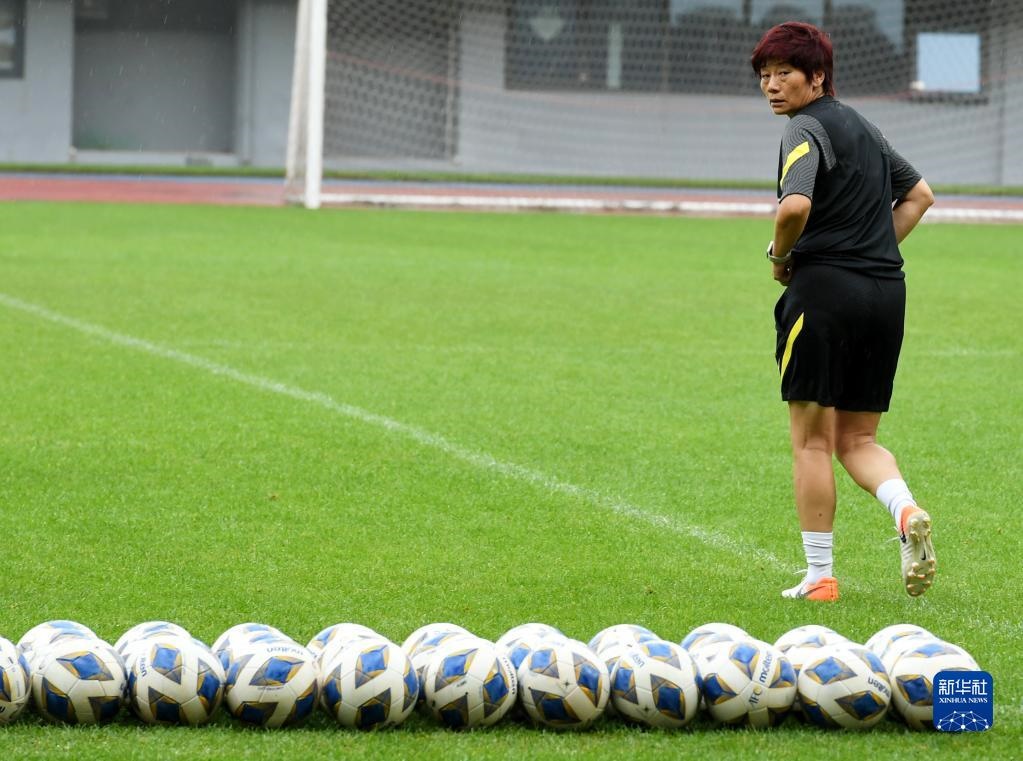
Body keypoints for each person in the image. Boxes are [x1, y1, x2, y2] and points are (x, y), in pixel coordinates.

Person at [750, 22, 937, 601]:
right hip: (885, 293)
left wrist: (780, 258)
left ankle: (820, 577)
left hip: (825, 294)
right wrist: (869, 252)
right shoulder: (865, 128)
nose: (772, 86)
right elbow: (920, 195)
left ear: (817, 77)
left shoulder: (803, 128)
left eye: (784, 73)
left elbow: (794, 207)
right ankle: (906, 512)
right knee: (858, 438)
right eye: (764, 75)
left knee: (811, 442)